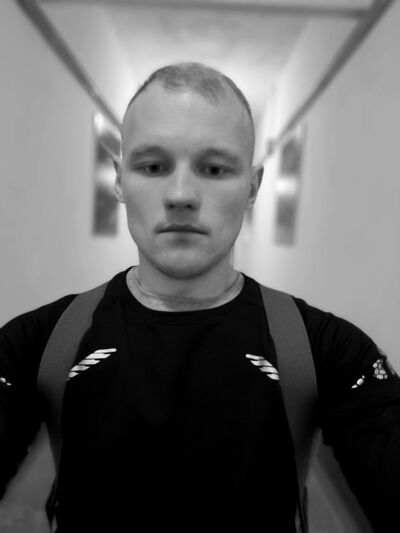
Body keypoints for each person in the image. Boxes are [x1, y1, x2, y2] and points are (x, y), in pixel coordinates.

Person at [0, 62, 399, 533]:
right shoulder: (38, 342)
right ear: (120, 180)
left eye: (214, 169)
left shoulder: (329, 351)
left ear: (252, 187)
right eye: (153, 166)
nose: (181, 194)